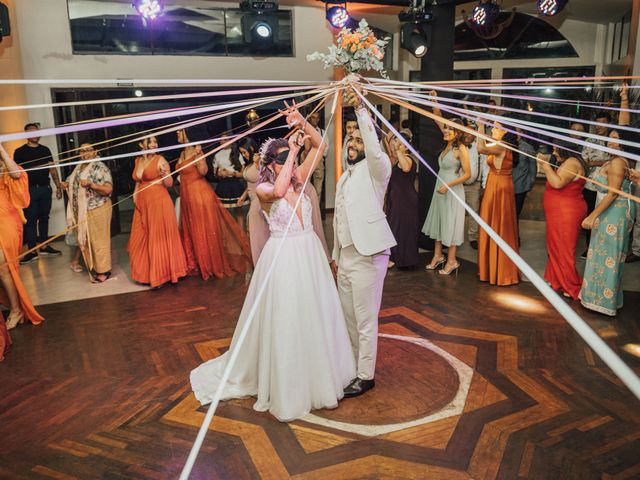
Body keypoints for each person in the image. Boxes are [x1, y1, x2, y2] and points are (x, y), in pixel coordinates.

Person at [190, 102, 355, 422]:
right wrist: (292, 152)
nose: (292, 166)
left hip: (309, 257)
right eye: (284, 161)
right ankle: (288, 381)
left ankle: (319, 371)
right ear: (272, 164)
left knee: (314, 314)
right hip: (283, 260)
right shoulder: (265, 188)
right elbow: (279, 190)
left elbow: (321, 146)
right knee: (288, 317)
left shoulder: (299, 179)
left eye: (291, 161)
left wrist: (302, 124)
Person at [332, 86, 396, 398]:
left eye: (358, 139)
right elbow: (340, 217)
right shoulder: (347, 175)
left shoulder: (379, 169)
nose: (353, 144)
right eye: (351, 139)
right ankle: (353, 367)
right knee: (348, 318)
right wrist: (336, 255)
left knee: (365, 319)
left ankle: (366, 376)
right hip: (345, 257)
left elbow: (372, 146)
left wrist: (360, 110)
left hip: (369, 255)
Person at [580, 105, 636, 316]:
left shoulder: (618, 162)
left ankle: (602, 301)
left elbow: (612, 193)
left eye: (617, 138)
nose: (612, 141)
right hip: (612, 209)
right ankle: (603, 298)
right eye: (610, 138)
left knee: (606, 255)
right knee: (605, 254)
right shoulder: (618, 160)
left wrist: (592, 215)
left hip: (612, 211)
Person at [176, 129, 251, 280]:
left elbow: (203, 171)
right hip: (187, 196)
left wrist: (199, 156)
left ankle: (209, 262)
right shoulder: (182, 152)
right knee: (191, 228)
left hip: (198, 194)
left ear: (187, 134)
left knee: (202, 229)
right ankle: (195, 261)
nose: (177, 134)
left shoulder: (197, 151)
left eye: (180, 132)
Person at [0, 142, 44, 350]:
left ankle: (17, 310)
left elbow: (17, 175)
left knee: (3, 267)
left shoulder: (6, 167)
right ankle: (9, 305)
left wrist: (0, 148)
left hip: (5, 220)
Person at [128, 135, 187, 288]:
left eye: (155, 141)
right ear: (142, 144)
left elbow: (169, 183)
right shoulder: (138, 160)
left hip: (158, 201)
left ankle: (160, 275)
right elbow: (138, 182)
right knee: (139, 237)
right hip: (142, 202)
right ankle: (145, 273)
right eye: (151, 141)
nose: (155, 144)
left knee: (156, 237)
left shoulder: (160, 159)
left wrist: (164, 173)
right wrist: (135, 196)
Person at [421, 92, 471, 275]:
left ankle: (451, 260)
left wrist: (449, 186)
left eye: (450, 129)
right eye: (446, 128)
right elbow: (437, 117)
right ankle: (437, 256)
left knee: (450, 224)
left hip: (453, 190)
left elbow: (468, 174)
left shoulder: (461, 149)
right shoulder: (448, 143)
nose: (446, 130)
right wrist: (434, 100)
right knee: (439, 223)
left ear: (457, 132)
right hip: (439, 188)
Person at [539, 142, 587, 300]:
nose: (554, 151)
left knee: (564, 249)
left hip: (566, 212)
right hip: (559, 211)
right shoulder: (567, 162)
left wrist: (545, 166)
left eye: (556, 148)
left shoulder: (572, 162)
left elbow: (558, 183)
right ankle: (557, 280)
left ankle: (572, 286)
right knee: (555, 246)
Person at [60, 144, 114, 283]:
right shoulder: (79, 167)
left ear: (96, 151)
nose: (86, 153)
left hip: (98, 208)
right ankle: (94, 267)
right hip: (82, 211)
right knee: (86, 240)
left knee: (99, 241)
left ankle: (104, 271)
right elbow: (72, 182)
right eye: (82, 151)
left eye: (89, 150)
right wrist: (66, 184)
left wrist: (92, 185)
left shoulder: (100, 167)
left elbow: (108, 190)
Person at [476, 119, 520, 286]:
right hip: (495, 184)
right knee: (492, 223)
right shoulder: (498, 144)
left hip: (499, 187)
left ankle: (501, 271)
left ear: (505, 131)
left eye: (496, 127)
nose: (493, 129)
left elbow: (480, 148)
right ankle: (491, 268)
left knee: (499, 224)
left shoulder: (502, 145)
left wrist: (480, 127)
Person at [14, 123, 63, 264]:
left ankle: (44, 246)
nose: (34, 134)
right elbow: (16, 174)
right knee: (30, 221)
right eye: (31, 132)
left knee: (44, 218)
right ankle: (31, 251)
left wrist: (58, 186)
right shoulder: (19, 152)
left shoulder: (45, 150)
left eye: (36, 131)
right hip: (29, 190)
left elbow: (52, 169)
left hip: (45, 189)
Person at [581, 111, 613, 258]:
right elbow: (584, 162)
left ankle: (605, 250)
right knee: (590, 217)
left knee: (606, 218)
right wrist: (601, 162)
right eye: (597, 123)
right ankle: (590, 248)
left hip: (609, 188)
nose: (599, 126)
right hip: (590, 186)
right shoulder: (590, 140)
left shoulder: (614, 141)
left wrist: (595, 162)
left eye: (603, 123)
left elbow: (618, 162)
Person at [386, 133, 419, 269]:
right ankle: (396, 258)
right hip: (398, 200)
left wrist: (399, 149)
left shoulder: (407, 159)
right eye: (396, 142)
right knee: (396, 228)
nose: (396, 144)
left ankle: (403, 260)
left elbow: (406, 168)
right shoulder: (398, 158)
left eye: (399, 142)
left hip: (405, 201)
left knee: (401, 229)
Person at [461, 120, 482, 250]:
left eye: (471, 133)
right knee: (456, 212)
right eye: (465, 132)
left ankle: (473, 238)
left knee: (474, 212)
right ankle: (455, 237)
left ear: (474, 135)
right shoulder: (457, 146)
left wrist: (484, 185)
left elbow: (484, 166)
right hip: (458, 185)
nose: (468, 135)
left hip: (474, 186)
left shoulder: (479, 147)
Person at [213, 133, 246, 207]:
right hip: (223, 185)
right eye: (221, 140)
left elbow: (243, 174)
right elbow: (215, 174)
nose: (223, 142)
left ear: (230, 141)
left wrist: (232, 173)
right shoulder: (217, 155)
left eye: (225, 140)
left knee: (238, 210)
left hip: (235, 184)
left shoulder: (237, 153)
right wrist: (220, 174)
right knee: (223, 211)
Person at [512, 127, 537, 219]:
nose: (515, 133)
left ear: (522, 133)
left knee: (515, 214)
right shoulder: (503, 145)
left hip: (520, 187)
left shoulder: (528, 148)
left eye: (518, 131)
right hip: (504, 186)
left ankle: (514, 233)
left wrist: (529, 186)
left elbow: (533, 169)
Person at [305, 111, 327, 201]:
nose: (315, 120)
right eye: (313, 117)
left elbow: (326, 148)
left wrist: (320, 155)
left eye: (317, 117)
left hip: (318, 161)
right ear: (310, 118)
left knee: (318, 188)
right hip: (307, 161)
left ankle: (316, 211)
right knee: (306, 186)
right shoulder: (305, 131)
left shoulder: (322, 132)